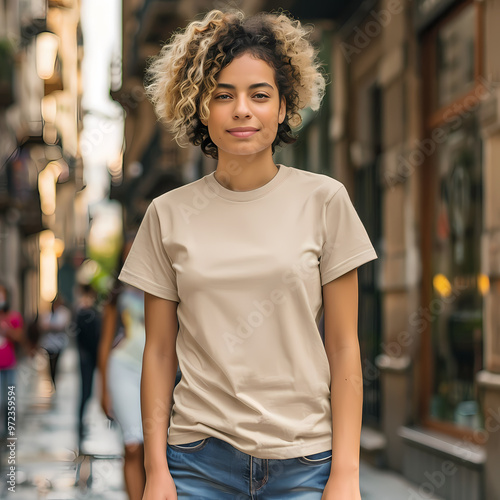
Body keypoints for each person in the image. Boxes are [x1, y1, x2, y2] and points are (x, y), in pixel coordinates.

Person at [118, 9, 378, 500]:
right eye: (223, 95)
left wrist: (346, 474)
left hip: (305, 465)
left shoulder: (325, 201)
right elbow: (156, 352)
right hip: (198, 464)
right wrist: (157, 471)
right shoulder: (167, 214)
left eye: (260, 95)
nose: (242, 110)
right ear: (200, 108)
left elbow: (345, 347)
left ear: (283, 108)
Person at [98, 239, 146, 500]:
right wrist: (103, 389)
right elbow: (105, 343)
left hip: (156, 372)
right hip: (123, 369)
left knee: (154, 447)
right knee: (132, 444)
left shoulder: (165, 285)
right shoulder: (117, 295)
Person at [74, 283, 101, 448]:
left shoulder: (91, 313)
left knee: (88, 393)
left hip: (91, 357)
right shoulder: (84, 313)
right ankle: (80, 421)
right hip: (87, 359)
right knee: (85, 392)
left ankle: (82, 420)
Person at [0, 283, 24, 437]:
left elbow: (20, 337)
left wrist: (6, 329)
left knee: (9, 401)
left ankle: (10, 433)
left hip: (9, 366)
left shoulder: (14, 317)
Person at [39, 294, 72, 390]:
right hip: (49, 343)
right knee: (50, 363)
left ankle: (55, 379)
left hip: (59, 343)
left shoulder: (64, 313)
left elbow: (62, 326)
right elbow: (43, 325)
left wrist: (51, 326)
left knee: (56, 362)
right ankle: (52, 380)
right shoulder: (48, 313)